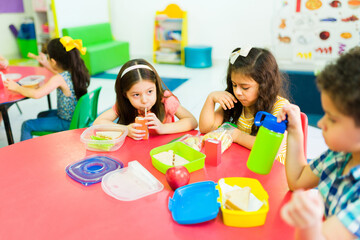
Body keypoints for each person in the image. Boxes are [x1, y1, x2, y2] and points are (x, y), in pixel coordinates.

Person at [279, 46, 360, 240]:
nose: (321, 123)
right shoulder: (340, 154)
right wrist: (295, 130)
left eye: (332, 118)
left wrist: (309, 225)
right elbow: (297, 180)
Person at [199, 46, 289, 163]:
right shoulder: (236, 101)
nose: (237, 92)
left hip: (272, 170)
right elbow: (206, 128)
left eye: (245, 87)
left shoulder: (280, 107)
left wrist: (237, 136)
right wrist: (210, 99)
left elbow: (269, 148)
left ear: (264, 85)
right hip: (243, 163)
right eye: (234, 85)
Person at [4, 36, 90, 141]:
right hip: (76, 117)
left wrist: (16, 87)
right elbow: (58, 73)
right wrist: (45, 63)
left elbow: (36, 94)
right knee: (42, 115)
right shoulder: (75, 72)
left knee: (27, 125)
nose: (47, 60)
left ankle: (24, 154)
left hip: (67, 122)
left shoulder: (58, 78)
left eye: (48, 58)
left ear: (53, 61)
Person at [93, 58, 198, 140]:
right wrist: (125, 129)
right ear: (125, 95)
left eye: (150, 91)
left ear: (156, 86)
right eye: (136, 95)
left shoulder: (166, 100)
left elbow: (192, 121)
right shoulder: (124, 104)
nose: (144, 100)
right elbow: (98, 123)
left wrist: (162, 128)